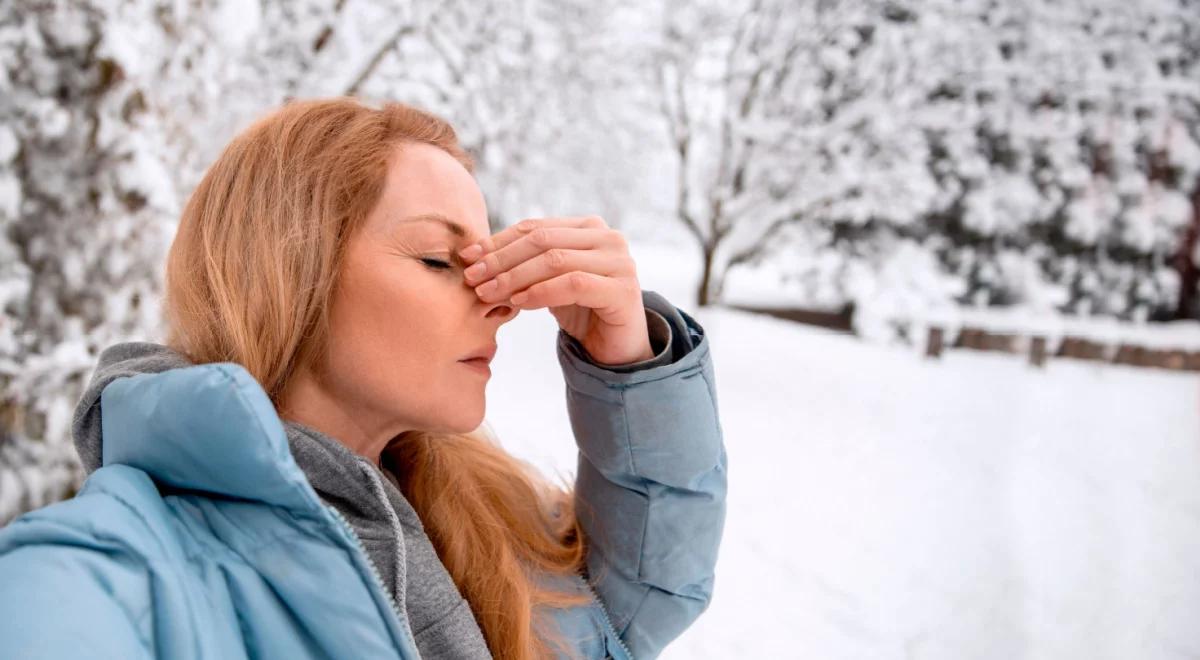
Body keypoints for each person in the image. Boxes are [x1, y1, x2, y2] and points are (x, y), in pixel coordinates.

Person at [0, 97, 727, 659]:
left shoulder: (465, 507)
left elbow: (625, 607)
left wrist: (627, 361)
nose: (500, 301)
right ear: (290, 273)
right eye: (442, 261)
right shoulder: (124, 567)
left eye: (492, 259)